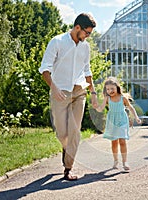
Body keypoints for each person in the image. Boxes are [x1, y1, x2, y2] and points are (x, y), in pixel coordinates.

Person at [39, 13, 98, 181]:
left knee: (74, 131)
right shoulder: (57, 42)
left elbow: (87, 71)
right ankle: (66, 151)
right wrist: (54, 88)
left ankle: (68, 168)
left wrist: (93, 93)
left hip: (79, 91)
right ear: (77, 27)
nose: (87, 37)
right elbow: (45, 69)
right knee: (62, 133)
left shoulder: (85, 46)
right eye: (86, 33)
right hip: (60, 92)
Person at [95, 77, 141, 170]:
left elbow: (131, 107)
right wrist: (96, 108)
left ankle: (125, 162)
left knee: (122, 142)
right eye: (108, 89)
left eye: (112, 88)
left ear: (117, 87)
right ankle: (116, 160)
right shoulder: (107, 98)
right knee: (114, 143)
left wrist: (136, 117)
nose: (110, 91)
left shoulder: (123, 98)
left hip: (122, 121)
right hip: (112, 121)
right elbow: (101, 108)